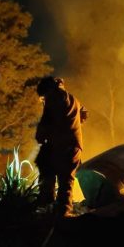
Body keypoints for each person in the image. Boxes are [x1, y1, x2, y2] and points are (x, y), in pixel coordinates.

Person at [34, 76, 87, 218]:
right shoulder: (73, 98)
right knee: (66, 182)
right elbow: (83, 115)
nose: (42, 101)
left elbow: (47, 121)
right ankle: (63, 214)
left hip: (59, 145)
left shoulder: (54, 97)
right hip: (74, 146)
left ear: (47, 90)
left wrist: (40, 136)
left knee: (48, 177)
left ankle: (47, 211)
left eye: (42, 98)